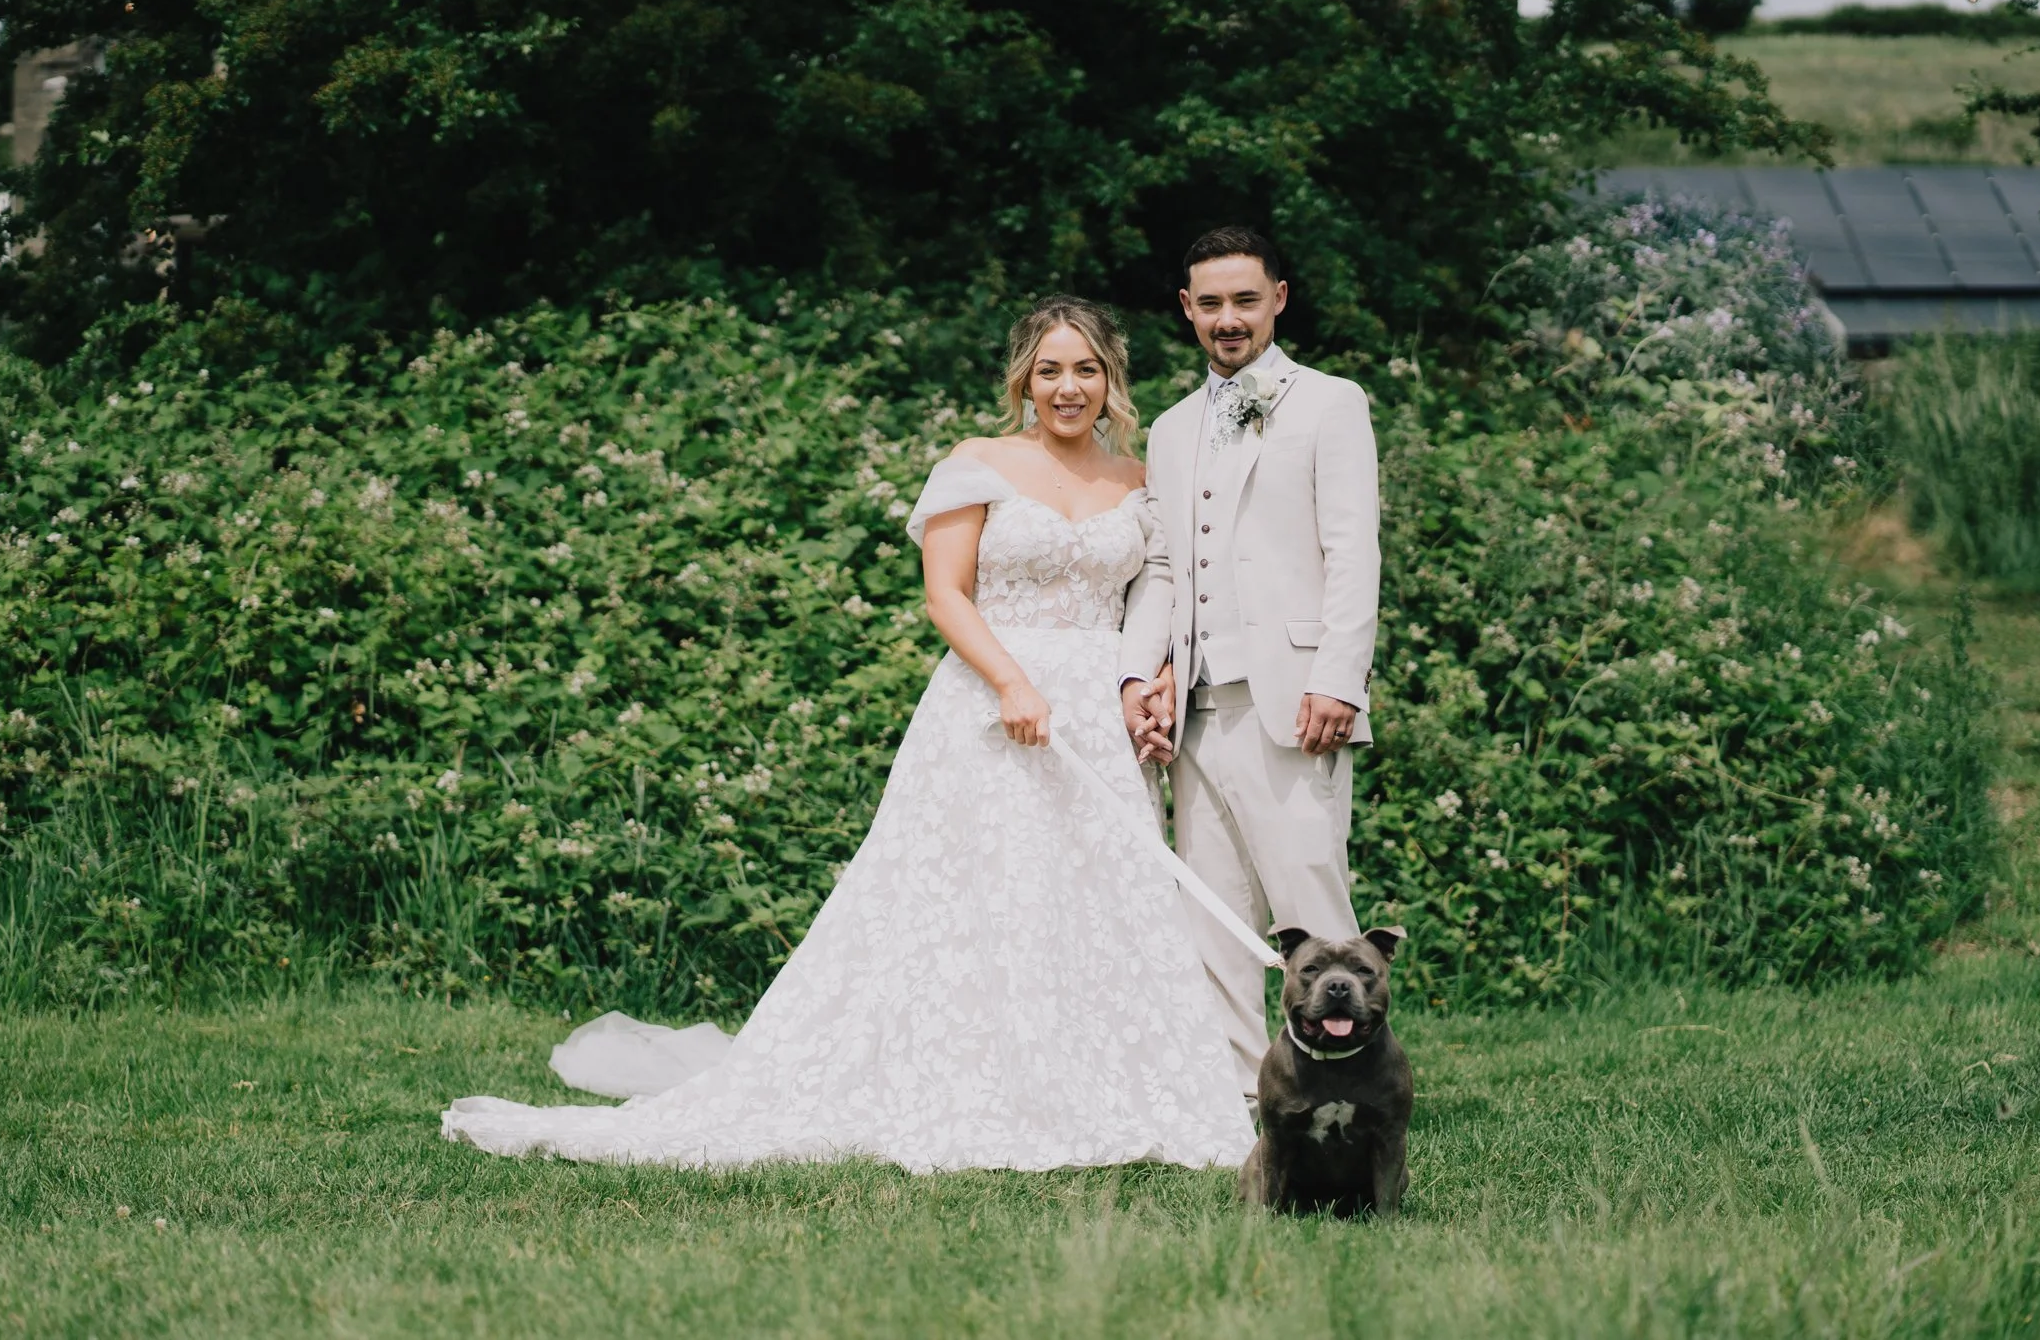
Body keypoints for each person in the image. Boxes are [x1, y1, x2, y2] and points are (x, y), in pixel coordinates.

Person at [442, 295, 1254, 1172]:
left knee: (1094, 904)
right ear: (1023, 376)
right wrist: (1012, 683)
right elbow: (945, 593)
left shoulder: (1135, 482)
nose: (1068, 387)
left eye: (1085, 369)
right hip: (990, 704)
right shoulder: (976, 463)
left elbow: (1155, 598)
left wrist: (1150, 679)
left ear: (1110, 379)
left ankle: (1093, 1081)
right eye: (1050, 369)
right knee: (978, 895)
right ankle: (969, 1078)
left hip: (1096, 715)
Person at [1119, 227, 1382, 1108]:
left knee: (1316, 908)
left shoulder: (1330, 403)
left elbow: (1352, 549)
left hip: (1295, 698)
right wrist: (1137, 674)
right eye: (1209, 304)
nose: (1227, 320)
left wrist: (1339, 677)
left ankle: (1353, 1094)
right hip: (1196, 707)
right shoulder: (1168, 427)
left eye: (1244, 299)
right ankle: (1247, 1104)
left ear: (1278, 296)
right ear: (1186, 310)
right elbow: (1161, 567)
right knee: (1216, 919)